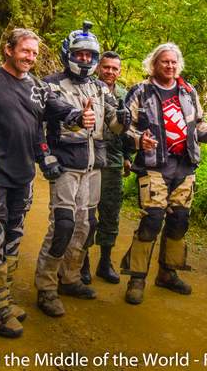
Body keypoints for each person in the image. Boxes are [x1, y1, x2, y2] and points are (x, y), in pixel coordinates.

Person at [0, 28, 94, 337]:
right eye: (25, 51)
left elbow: (56, 108)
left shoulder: (36, 86)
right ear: (8, 50)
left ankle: (0, 301)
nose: (30, 57)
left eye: (34, 53)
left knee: (14, 239)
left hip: (23, 176)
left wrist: (76, 115)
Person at [120, 42, 207, 304]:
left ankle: (167, 273)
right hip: (154, 165)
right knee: (152, 220)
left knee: (179, 220)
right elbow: (123, 128)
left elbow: (199, 126)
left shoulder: (187, 91)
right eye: (164, 61)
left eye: (173, 62)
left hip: (185, 165)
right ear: (154, 64)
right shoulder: (140, 92)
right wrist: (138, 140)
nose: (169, 66)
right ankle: (137, 277)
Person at [35, 23, 129, 317]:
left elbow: (111, 127)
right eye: (80, 54)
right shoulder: (49, 84)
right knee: (63, 225)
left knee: (86, 225)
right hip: (65, 165)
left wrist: (124, 120)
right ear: (68, 53)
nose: (85, 60)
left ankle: (71, 278)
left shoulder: (100, 88)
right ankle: (46, 286)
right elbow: (46, 118)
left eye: (90, 56)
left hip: (93, 166)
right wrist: (46, 154)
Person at [81, 51, 131, 285]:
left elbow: (130, 128)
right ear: (99, 67)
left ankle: (105, 261)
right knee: (87, 214)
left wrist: (128, 156)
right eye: (106, 67)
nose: (110, 72)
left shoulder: (124, 94)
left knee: (110, 212)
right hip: (90, 159)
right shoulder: (88, 88)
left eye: (115, 68)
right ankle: (82, 263)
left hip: (114, 161)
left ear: (120, 71)